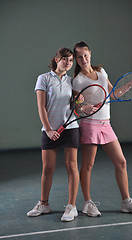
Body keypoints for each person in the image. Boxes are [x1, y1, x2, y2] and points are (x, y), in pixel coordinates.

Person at [72, 41, 132, 217]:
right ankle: (87, 203)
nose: (83, 59)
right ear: (76, 59)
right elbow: (76, 107)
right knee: (88, 165)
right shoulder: (78, 81)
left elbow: (113, 94)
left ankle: (126, 201)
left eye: (86, 55)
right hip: (89, 125)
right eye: (79, 57)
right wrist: (83, 108)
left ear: (90, 54)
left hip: (106, 125)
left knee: (121, 162)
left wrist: (130, 85)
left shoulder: (101, 72)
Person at [27, 48, 80, 222]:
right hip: (50, 129)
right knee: (47, 169)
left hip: (70, 128)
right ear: (56, 59)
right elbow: (41, 107)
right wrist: (48, 129)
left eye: (71, 60)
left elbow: (75, 106)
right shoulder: (43, 79)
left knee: (71, 166)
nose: (68, 63)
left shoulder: (71, 81)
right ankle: (44, 204)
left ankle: (71, 207)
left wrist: (80, 103)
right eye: (65, 59)